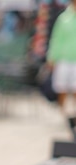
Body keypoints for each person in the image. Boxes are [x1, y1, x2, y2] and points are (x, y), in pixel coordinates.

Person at [46, 0, 76, 139]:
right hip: (64, 58)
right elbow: (57, 38)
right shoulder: (64, 18)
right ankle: (63, 114)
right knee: (62, 89)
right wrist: (52, 57)